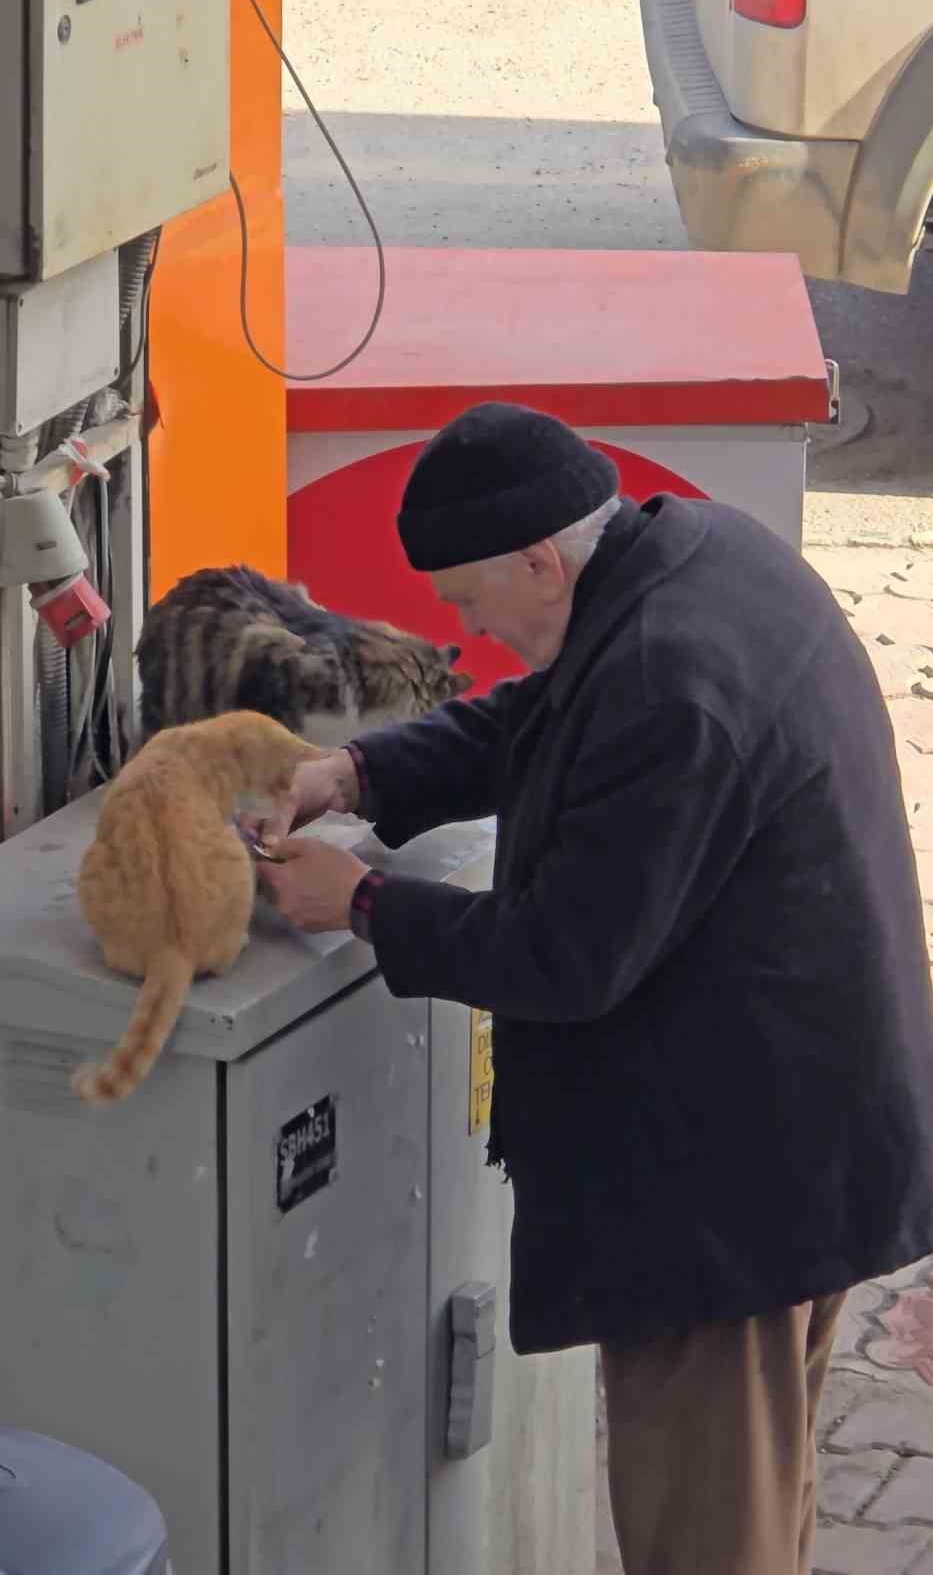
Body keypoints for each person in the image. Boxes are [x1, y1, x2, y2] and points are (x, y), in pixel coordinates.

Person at [256, 401, 933, 1575]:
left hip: (739, 1203)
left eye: (470, 600)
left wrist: (360, 904)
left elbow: (564, 958)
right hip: (811, 1134)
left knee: (708, 1535)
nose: (462, 628)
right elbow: (542, 717)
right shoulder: (690, 560)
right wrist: (354, 771)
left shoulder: (671, 679)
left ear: (538, 558)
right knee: (758, 1498)